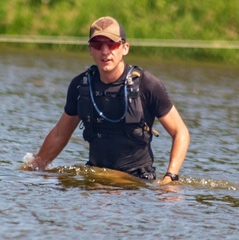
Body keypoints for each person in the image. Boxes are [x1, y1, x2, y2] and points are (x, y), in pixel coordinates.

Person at [22, 16, 190, 184]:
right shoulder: (80, 86)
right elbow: (60, 134)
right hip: (95, 179)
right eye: (97, 44)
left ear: (125, 48)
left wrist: (170, 178)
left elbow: (180, 132)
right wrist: (34, 168)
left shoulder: (147, 85)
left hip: (137, 183)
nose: (105, 51)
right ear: (90, 50)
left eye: (112, 44)